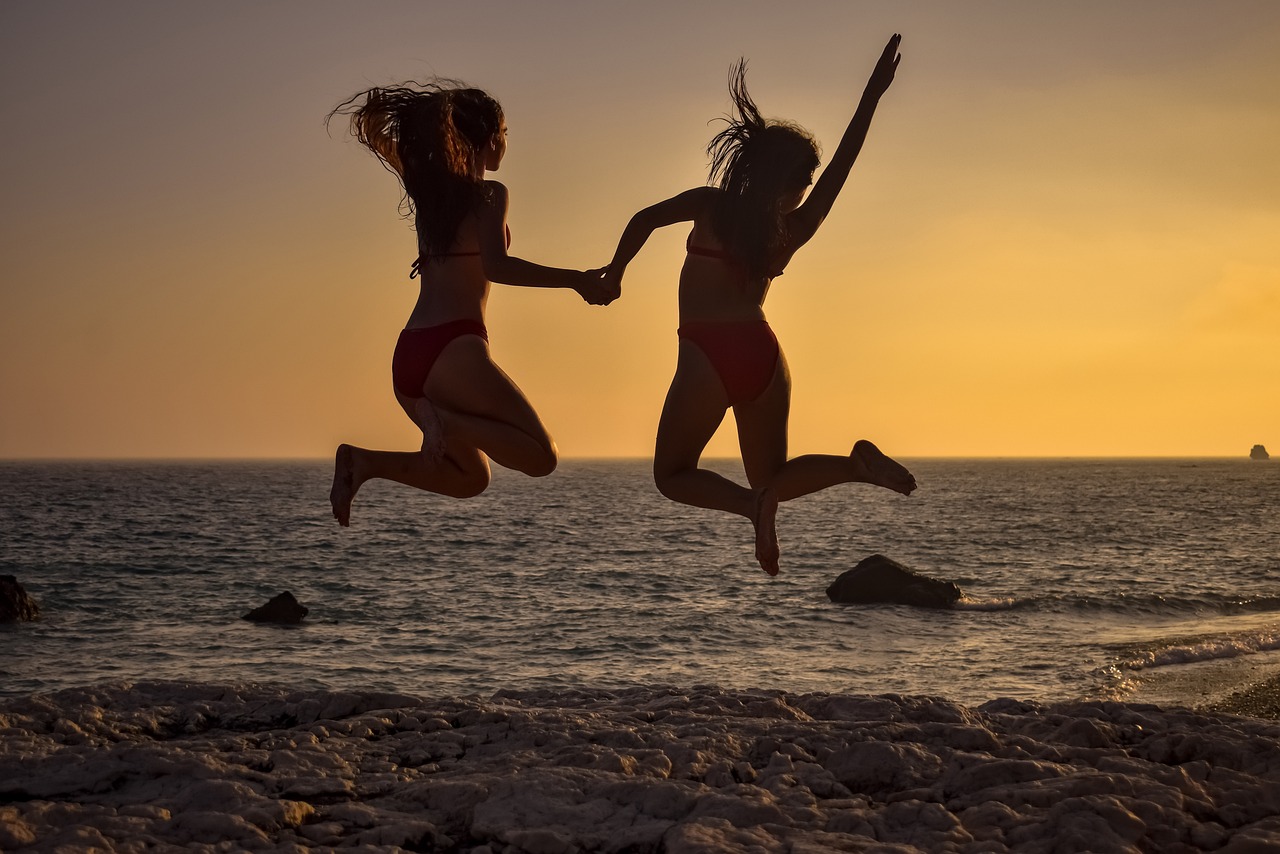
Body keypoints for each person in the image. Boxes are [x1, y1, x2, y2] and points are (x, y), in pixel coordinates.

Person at [601, 35, 915, 575]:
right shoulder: (793, 229)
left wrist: (615, 272)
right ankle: (853, 466)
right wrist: (872, 97)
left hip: (707, 352)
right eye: (804, 181)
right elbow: (844, 163)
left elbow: (643, 219)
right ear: (786, 183)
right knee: (773, 474)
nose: (808, 189)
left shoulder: (710, 205)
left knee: (672, 474)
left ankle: (750, 507)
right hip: (763, 355)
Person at [327, 81, 611, 526]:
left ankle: (363, 462)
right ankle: (442, 419)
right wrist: (575, 280)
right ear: (489, 139)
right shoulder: (489, 196)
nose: (506, 141)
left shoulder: (428, 193)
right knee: (541, 456)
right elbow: (497, 266)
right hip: (453, 348)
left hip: (411, 357)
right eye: (504, 131)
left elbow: (384, 141)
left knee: (470, 477)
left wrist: (393, 116)